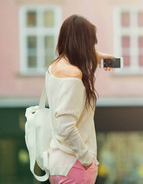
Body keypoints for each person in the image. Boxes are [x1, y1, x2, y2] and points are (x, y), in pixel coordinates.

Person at [45, 14, 114, 184]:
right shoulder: (73, 75)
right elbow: (66, 126)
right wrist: (87, 159)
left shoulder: (54, 67)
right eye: (90, 43)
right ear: (83, 43)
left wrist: (96, 56)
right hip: (75, 165)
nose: (92, 47)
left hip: (59, 163)